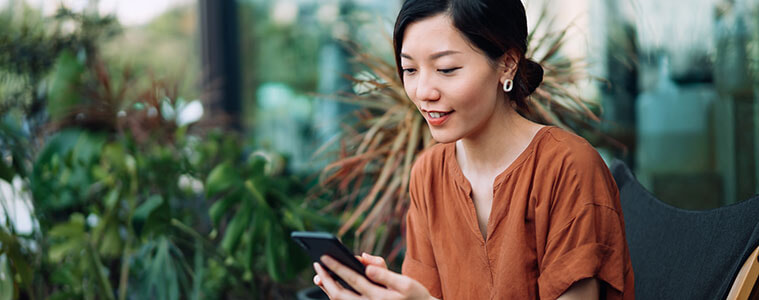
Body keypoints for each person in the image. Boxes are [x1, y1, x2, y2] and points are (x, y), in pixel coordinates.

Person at [312, 0, 635, 299]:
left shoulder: (568, 167)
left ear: (507, 64)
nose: (423, 91)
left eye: (447, 69)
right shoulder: (429, 173)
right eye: (410, 70)